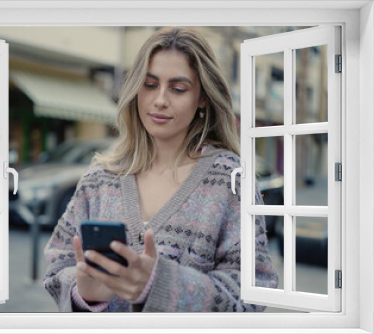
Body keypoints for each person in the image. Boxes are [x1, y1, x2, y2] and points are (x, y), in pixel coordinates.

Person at [44, 26, 278, 312]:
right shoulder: (100, 179)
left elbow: (253, 291)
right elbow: (58, 264)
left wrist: (160, 284)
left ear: (202, 97)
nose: (160, 100)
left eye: (178, 88)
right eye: (150, 84)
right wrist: (84, 292)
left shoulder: (230, 181)